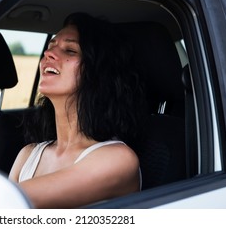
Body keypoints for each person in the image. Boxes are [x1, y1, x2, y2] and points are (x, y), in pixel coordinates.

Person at [9, 12, 145, 208]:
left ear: (99, 73)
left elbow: (4, 201)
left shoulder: (118, 160)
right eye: (50, 47)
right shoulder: (28, 154)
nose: (48, 54)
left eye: (70, 50)